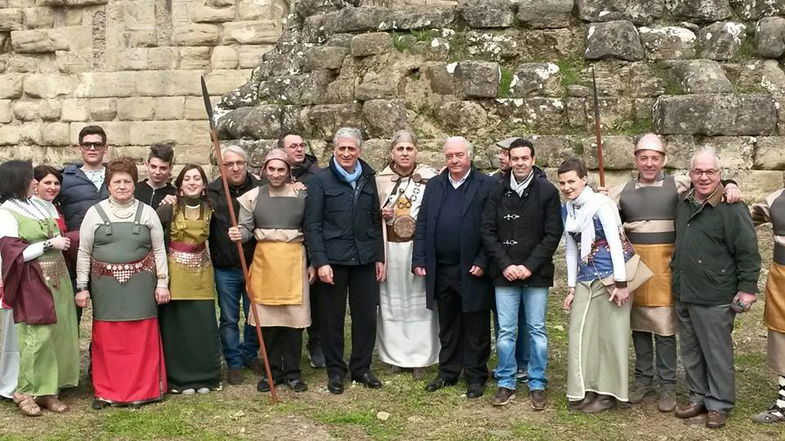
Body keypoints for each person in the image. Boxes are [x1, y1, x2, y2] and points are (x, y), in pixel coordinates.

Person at [606, 133, 741, 412]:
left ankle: (668, 384)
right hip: (635, 270)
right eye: (644, 157)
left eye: (655, 158)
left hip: (667, 268)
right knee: (638, 327)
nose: (649, 163)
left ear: (664, 160)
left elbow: (709, 181)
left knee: (665, 329)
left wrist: (732, 184)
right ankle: (644, 380)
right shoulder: (622, 191)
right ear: (636, 160)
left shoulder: (677, 185)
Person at [671, 148, 760, 429]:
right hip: (685, 289)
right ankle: (698, 397)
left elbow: (748, 252)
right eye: (698, 171)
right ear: (691, 174)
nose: (704, 177)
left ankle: (719, 403)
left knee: (716, 352)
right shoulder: (684, 202)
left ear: (720, 175)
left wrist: (747, 289)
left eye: (711, 171)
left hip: (716, 293)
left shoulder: (732, 208)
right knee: (691, 350)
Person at [75, 158, 170, 409]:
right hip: (105, 288)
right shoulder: (94, 213)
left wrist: (163, 283)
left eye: (127, 181)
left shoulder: (147, 213)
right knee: (109, 338)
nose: (122, 186)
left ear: (133, 184)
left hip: (141, 287)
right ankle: (107, 391)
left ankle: (143, 389)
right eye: (116, 181)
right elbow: (84, 252)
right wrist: (81, 287)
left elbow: (159, 250)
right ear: (108, 185)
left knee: (140, 337)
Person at [482, 139, 563, 408]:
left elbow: (552, 234)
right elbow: (488, 230)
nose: (519, 163)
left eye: (524, 158)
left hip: (535, 273)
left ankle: (537, 382)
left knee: (536, 329)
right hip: (504, 272)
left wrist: (529, 266)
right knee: (505, 330)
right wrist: (505, 264)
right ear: (508, 159)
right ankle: (506, 381)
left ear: (533, 159)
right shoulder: (496, 189)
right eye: (514, 158)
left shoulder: (547, 191)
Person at [304, 127, 385, 395]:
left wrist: (379, 257)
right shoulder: (320, 181)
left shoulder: (369, 178)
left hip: (364, 259)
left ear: (359, 151)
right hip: (333, 262)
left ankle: (361, 368)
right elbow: (313, 225)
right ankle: (335, 371)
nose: (347, 153)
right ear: (334, 150)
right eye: (342, 148)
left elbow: (375, 220)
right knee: (332, 319)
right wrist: (320, 261)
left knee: (365, 318)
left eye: (352, 149)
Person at [413, 136, 495, 399]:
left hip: (473, 268)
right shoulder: (436, 185)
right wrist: (419, 259)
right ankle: (448, 371)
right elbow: (424, 222)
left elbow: (493, 228)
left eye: (459, 155)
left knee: (475, 323)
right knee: (447, 323)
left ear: (469, 156)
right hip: (442, 268)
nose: (454, 160)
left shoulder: (486, 184)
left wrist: (483, 260)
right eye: (449, 156)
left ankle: (475, 375)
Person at [229, 148, 313, 393]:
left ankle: (294, 373)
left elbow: (311, 229)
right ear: (264, 170)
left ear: (288, 172)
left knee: (293, 322)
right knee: (269, 322)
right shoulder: (252, 197)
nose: (276, 174)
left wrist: (313, 263)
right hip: (265, 261)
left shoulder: (302, 195)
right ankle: (273, 371)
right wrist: (239, 233)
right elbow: (245, 229)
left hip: (293, 260)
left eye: (281, 170)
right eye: (272, 169)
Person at [0, 160, 79, 416]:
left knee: (59, 333)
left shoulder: (38, 205)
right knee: (37, 336)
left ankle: (48, 390)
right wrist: (48, 245)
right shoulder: (6, 212)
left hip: (58, 278)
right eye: (29, 177)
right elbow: (14, 254)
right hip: (32, 280)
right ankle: (24, 390)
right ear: (17, 181)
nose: (35, 181)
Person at [560, 158, 634, 413]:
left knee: (610, 336)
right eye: (562, 183)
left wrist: (621, 283)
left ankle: (607, 393)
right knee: (581, 335)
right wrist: (571, 287)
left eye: (571, 181)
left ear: (583, 179)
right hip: (585, 278)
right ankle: (585, 388)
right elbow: (571, 249)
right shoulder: (568, 210)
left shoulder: (601, 204)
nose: (567, 187)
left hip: (611, 278)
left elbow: (615, 242)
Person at [375, 130, 439, 380]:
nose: (404, 153)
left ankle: (421, 357)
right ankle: (394, 356)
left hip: (418, 248)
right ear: (392, 152)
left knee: (420, 304)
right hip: (391, 248)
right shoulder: (380, 180)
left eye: (409, 149)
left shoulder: (431, 178)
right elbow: (371, 215)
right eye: (400, 149)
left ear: (416, 151)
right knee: (391, 303)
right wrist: (382, 215)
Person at [156, 164, 221, 395]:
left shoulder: (212, 210)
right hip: (175, 271)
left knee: (200, 325)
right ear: (180, 186)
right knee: (178, 326)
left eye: (197, 178)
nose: (192, 182)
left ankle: (204, 375)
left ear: (204, 185)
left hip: (202, 273)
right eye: (187, 179)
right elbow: (157, 242)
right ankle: (178, 378)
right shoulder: (167, 210)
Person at [207, 145, 261, 385]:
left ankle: (250, 354)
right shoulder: (211, 192)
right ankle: (234, 362)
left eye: (240, 163)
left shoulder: (260, 188)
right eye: (229, 164)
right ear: (222, 167)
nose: (235, 168)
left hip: (254, 264)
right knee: (229, 317)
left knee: (254, 315)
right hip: (225, 266)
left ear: (246, 164)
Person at [280, 132, 324, 369]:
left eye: (301, 145)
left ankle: (316, 342)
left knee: (316, 299)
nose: (298, 149)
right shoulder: (273, 174)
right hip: (284, 247)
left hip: (310, 243)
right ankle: (285, 345)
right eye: (292, 146)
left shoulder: (317, 175)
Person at [490, 137, 530, 384]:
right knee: (503, 320)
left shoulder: (540, 184)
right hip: (502, 263)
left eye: (509, 154)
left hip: (528, 264)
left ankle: (524, 363)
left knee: (527, 319)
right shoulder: (495, 183)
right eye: (505, 155)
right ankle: (507, 365)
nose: (505, 159)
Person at [751, 187, 785, 424]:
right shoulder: (774, 200)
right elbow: (742, 219)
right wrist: (730, 186)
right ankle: (784, 403)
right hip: (782, 277)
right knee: (782, 336)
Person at [57, 125, 109, 232]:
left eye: (97, 145)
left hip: (112, 241)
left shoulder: (116, 175)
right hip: (79, 241)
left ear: (105, 148)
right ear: (80, 148)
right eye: (87, 145)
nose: (92, 148)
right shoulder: (65, 179)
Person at [135, 144, 176, 209]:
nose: (157, 172)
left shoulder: (174, 194)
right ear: (147, 165)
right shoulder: (134, 190)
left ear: (170, 168)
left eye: (163, 168)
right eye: (153, 167)